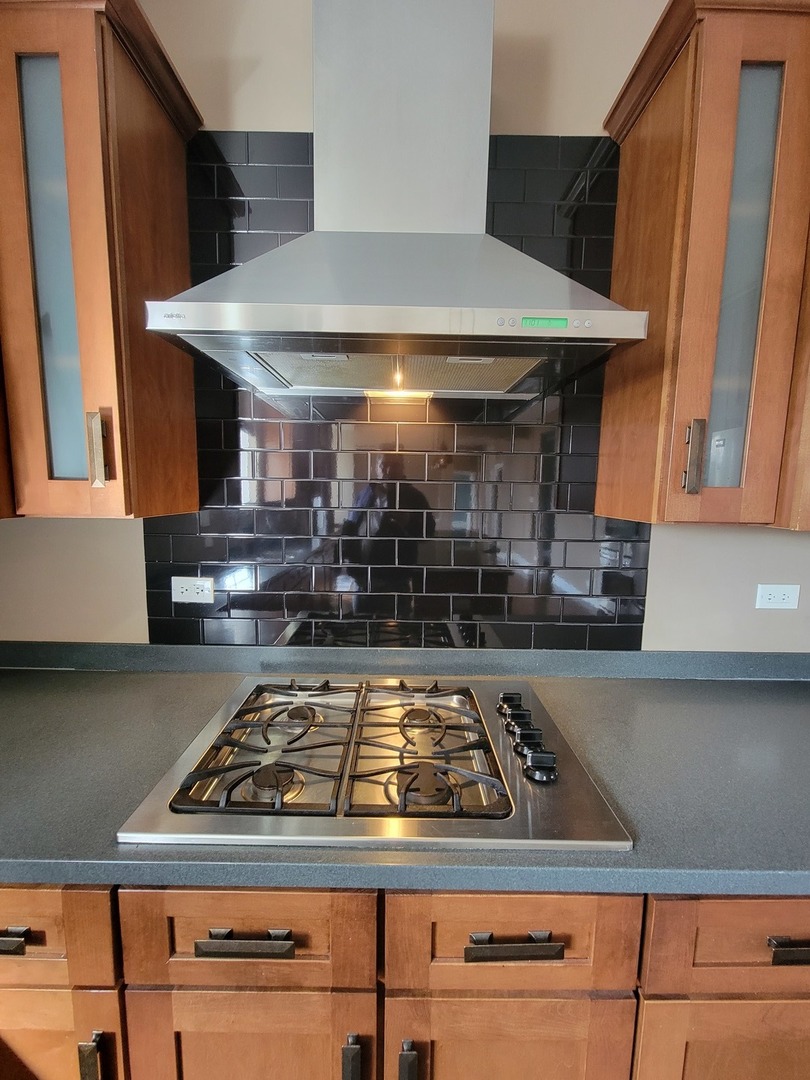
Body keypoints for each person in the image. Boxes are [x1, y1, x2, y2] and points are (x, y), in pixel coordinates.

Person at [340, 454, 435, 595]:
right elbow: (351, 526)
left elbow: (429, 532)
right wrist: (345, 557)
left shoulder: (414, 497)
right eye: (384, 465)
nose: (389, 470)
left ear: (402, 468)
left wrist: (409, 522)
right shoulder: (364, 494)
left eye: (395, 465)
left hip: (395, 583)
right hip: (361, 580)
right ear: (376, 468)